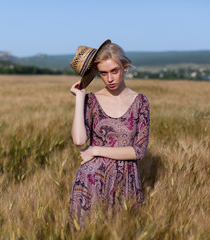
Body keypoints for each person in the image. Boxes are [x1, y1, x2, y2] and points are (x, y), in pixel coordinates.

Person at [68, 39, 150, 226]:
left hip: (126, 182)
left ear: (125, 67)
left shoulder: (141, 102)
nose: (110, 79)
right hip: (90, 181)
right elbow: (80, 140)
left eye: (115, 71)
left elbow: (139, 151)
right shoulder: (92, 100)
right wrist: (80, 98)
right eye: (103, 73)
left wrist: (96, 150)